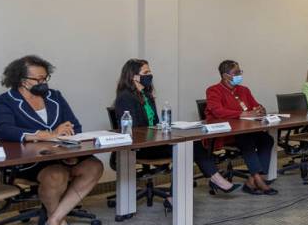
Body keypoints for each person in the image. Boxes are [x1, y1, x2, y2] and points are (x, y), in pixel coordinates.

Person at [0, 55, 105, 225]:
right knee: (55, 175)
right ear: (21, 80)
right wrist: (46, 134)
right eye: (37, 79)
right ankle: (57, 219)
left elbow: (74, 125)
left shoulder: (55, 96)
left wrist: (70, 143)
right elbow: (4, 130)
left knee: (94, 166)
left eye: (45, 78)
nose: (42, 82)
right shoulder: (4, 101)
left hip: (62, 153)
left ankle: (55, 218)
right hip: (30, 160)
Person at [114, 59, 238, 198]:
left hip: (154, 142)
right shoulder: (125, 98)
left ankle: (194, 188)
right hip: (141, 147)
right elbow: (136, 129)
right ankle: (210, 182)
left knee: (192, 143)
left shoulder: (147, 95)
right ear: (134, 76)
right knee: (184, 148)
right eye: (146, 72)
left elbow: (154, 123)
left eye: (150, 71)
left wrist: (165, 129)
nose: (150, 75)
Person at [205, 60, 277, 195]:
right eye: (236, 72)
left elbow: (255, 105)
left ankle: (253, 179)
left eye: (240, 72)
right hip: (226, 133)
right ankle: (258, 179)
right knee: (246, 140)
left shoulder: (244, 90)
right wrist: (243, 114)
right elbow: (217, 111)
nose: (239, 75)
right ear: (225, 76)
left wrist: (260, 109)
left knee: (267, 139)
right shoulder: (213, 90)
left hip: (247, 130)